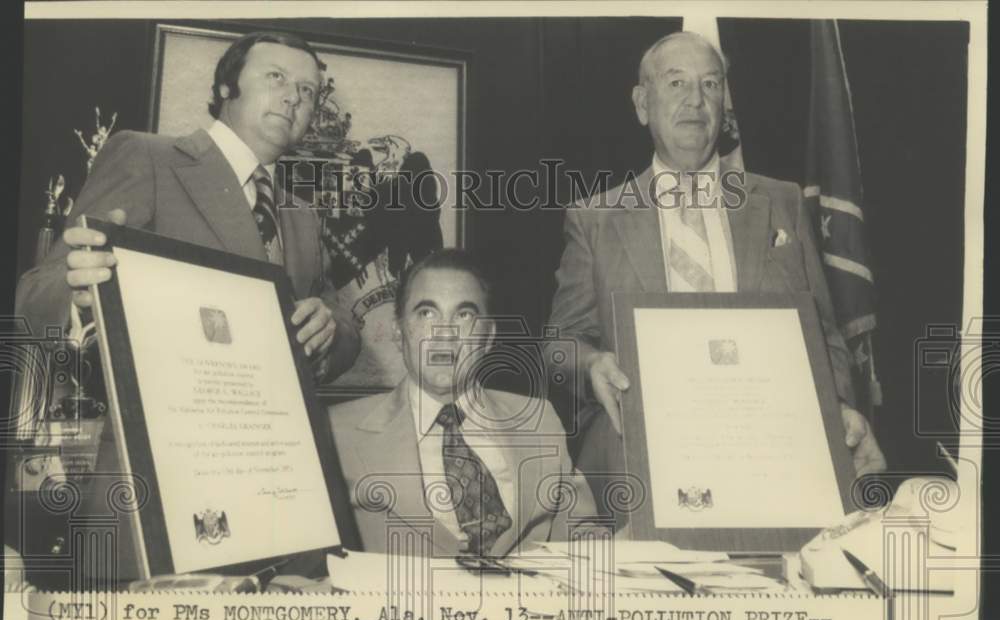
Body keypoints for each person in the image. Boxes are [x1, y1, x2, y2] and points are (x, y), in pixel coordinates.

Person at [548, 31, 886, 513]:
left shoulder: (781, 202)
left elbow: (824, 335)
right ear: (643, 103)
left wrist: (839, 408)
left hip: (770, 451)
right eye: (676, 84)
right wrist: (591, 363)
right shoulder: (596, 218)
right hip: (639, 456)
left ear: (724, 102)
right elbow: (558, 345)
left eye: (710, 84)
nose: (695, 100)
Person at [15, 31, 359, 381]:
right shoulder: (146, 156)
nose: (292, 98)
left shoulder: (303, 216)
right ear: (226, 86)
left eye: (307, 90)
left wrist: (329, 333)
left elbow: (341, 323)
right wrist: (78, 296)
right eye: (277, 77)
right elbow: (34, 295)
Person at [329, 249, 601, 555]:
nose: (445, 335)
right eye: (426, 313)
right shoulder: (336, 433)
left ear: (487, 337)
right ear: (398, 332)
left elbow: (583, 537)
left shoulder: (539, 419)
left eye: (464, 314)